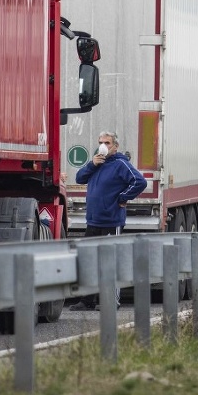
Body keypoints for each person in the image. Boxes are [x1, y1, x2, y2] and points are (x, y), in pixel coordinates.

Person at [68, 131, 147, 311]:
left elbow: (139, 182)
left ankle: (111, 300)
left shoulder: (120, 164)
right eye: (101, 142)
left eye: (107, 143)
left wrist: (123, 197)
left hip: (111, 220)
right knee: (88, 260)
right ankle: (87, 300)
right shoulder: (97, 163)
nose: (103, 146)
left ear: (115, 146)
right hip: (93, 220)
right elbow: (80, 178)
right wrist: (92, 164)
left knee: (110, 262)